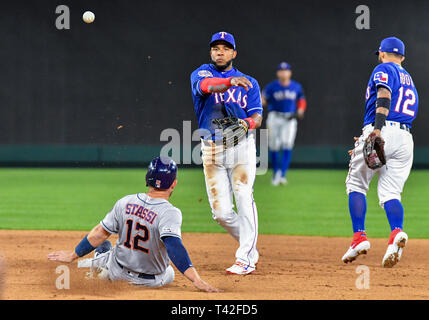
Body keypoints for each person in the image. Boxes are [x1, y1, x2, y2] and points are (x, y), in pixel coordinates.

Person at [47, 157, 220, 292]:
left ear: (147, 179)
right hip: (151, 282)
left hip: (117, 273)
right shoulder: (170, 212)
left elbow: (100, 233)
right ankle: (101, 264)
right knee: (169, 272)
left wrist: (72, 255)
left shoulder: (125, 202)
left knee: (107, 248)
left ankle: (92, 265)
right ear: (174, 184)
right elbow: (174, 248)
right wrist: (197, 281)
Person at [190, 31, 263, 275]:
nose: (219, 52)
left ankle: (245, 258)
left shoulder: (249, 81)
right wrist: (230, 82)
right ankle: (249, 245)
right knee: (221, 213)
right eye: (215, 48)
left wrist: (248, 124)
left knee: (243, 195)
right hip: (211, 148)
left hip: (241, 146)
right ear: (211, 53)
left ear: (234, 53)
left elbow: (257, 116)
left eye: (225, 48)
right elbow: (206, 87)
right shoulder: (201, 73)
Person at [342, 37, 418, 268]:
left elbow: (384, 95)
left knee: (356, 184)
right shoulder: (409, 79)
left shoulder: (383, 68)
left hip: (383, 129)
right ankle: (396, 233)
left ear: (382, 53)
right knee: (391, 193)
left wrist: (375, 130)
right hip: (405, 138)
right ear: (403, 57)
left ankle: (359, 238)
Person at [262, 62, 307, 185]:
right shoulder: (271, 87)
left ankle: (282, 174)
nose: (283, 73)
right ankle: (275, 172)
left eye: (286, 70)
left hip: (289, 118)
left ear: (290, 73)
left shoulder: (296, 86)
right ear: (278, 73)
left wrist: (301, 110)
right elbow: (263, 99)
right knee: (274, 145)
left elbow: (301, 100)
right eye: (281, 70)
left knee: (287, 144)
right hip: (274, 117)